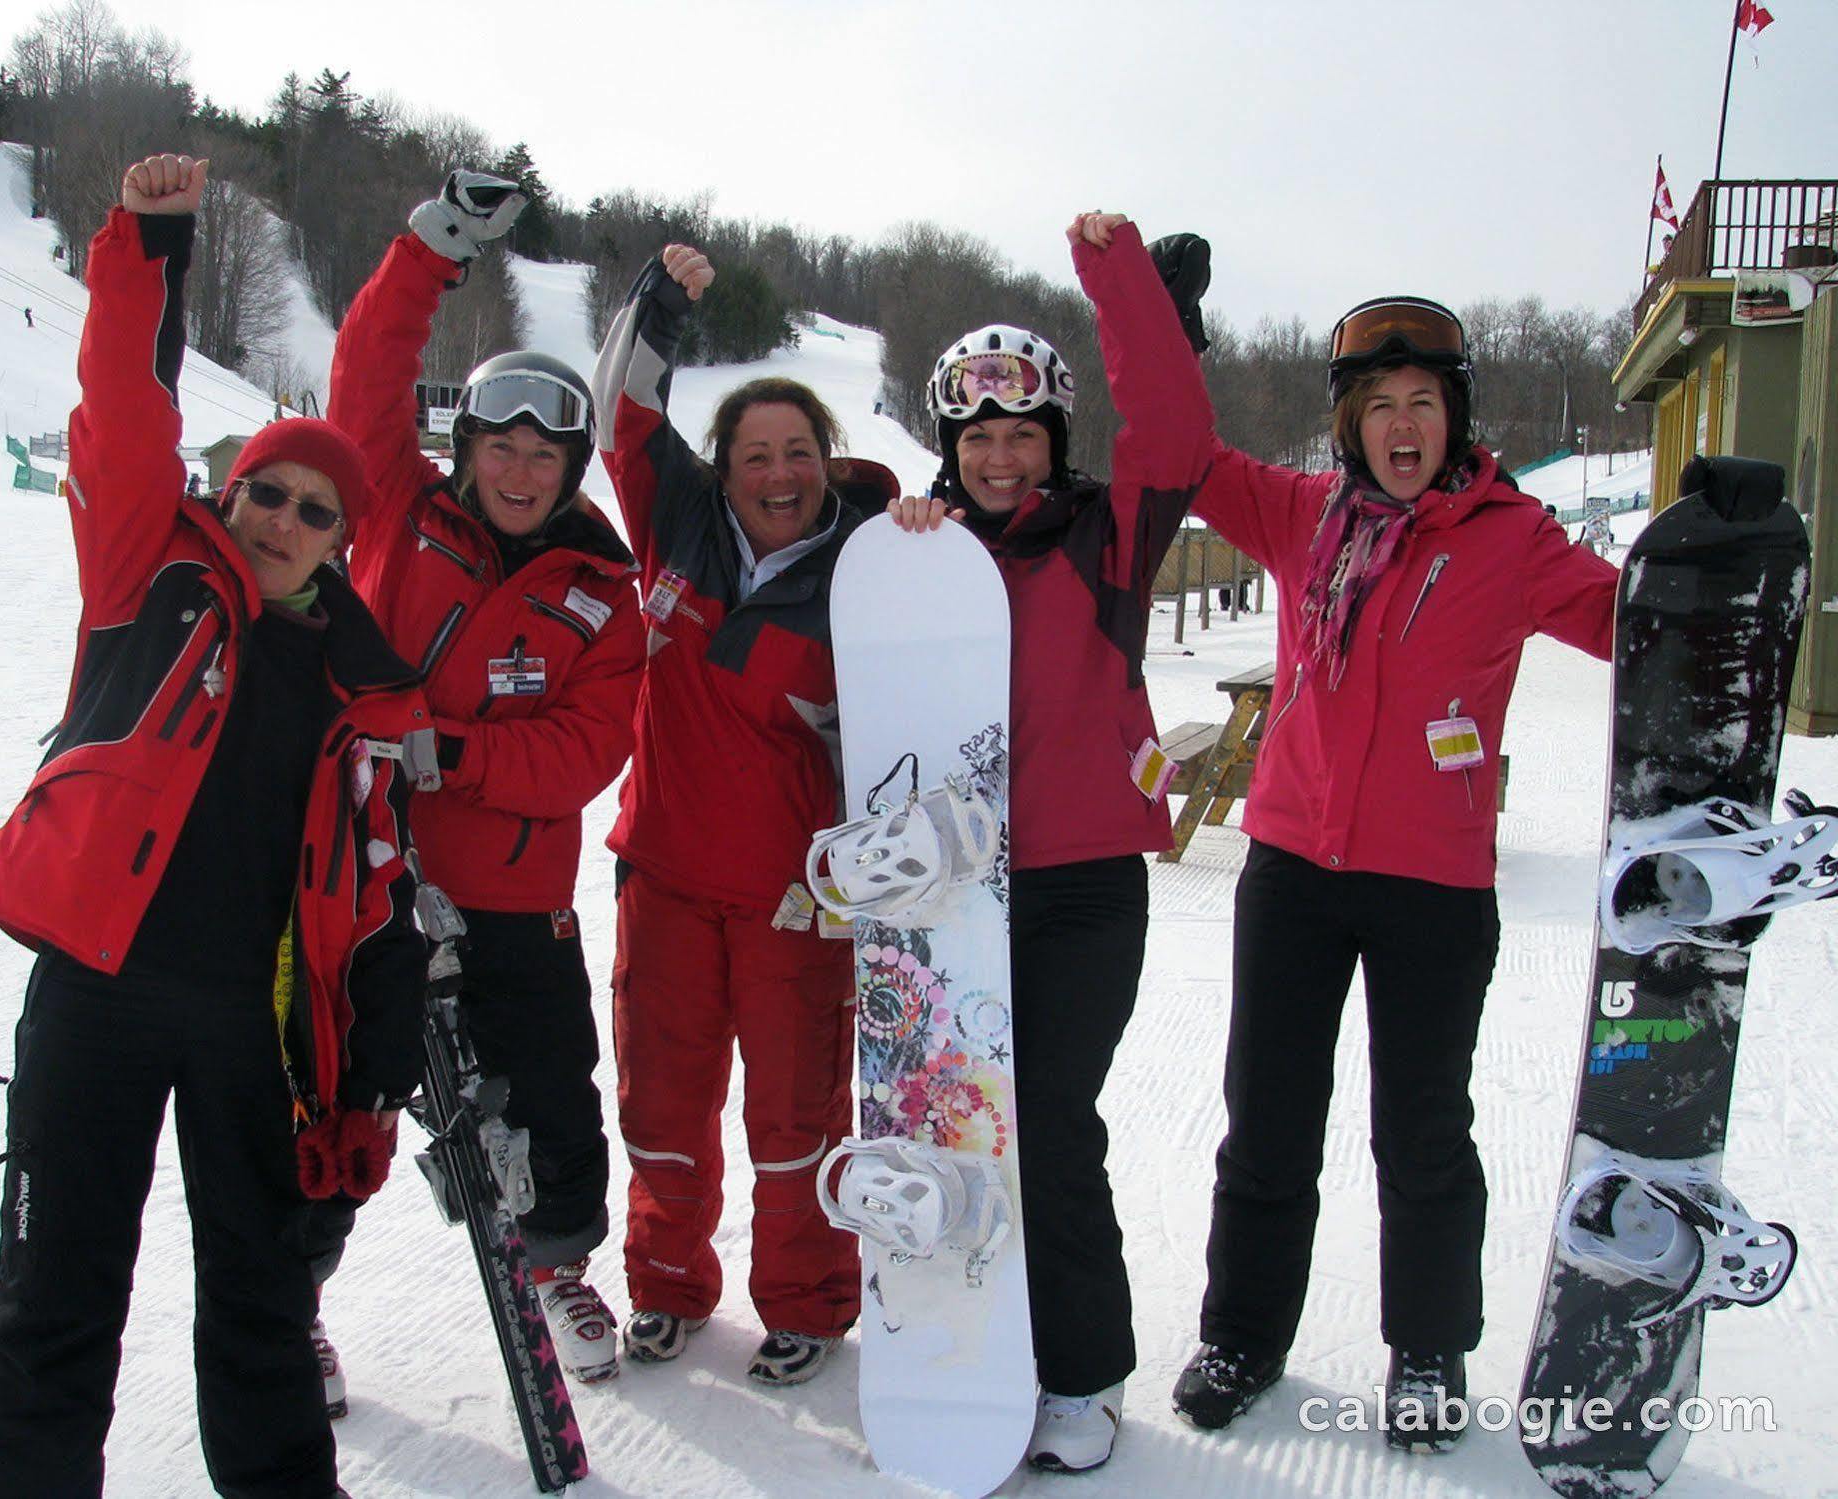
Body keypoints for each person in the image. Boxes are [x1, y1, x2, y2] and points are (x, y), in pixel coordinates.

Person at [0, 154, 431, 1498]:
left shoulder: (361, 684)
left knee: (264, 1311)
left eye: (314, 509)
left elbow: (373, 878)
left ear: (345, 539)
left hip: (252, 1026)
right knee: (54, 1307)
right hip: (98, 996)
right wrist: (144, 246)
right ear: (231, 493)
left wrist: (369, 1037)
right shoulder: (148, 570)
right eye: (266, 491)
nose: (281, 519)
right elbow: (119, 403)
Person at [1103, 231, 1620, 1449]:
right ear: (1347, 424)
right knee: (1267, 1116)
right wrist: (1151, 324)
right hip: (1291, 870)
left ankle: (1429, 1349)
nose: (1401, 425)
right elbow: (1177, 451)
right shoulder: (1298, 517)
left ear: (1455, 417)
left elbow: (1630, 620)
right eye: (1379, 404)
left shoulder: (1513, 538)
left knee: (1423, 1129)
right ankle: (1243, 1333)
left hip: (1433, 886)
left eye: (1422, 403)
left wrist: (1708, 560)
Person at [882, 214, 1213, 1472]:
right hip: (948, 893)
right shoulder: (920, 554)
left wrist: (1119, 280)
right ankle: (970, 1344)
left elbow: (1178, 434)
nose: (1003, 455)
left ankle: (1081, 1367)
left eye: (1023, 433)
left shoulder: (1105, 541)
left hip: (1077, 886)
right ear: (950, 448)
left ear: (1053, 440)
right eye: (979, 436)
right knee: (953, 1120)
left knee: (1053, 1121)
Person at [318, 170, 646, 1388]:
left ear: (573, 470)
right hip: (362, 867)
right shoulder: (397, 511)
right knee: (335, 1088)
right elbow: (367, 369)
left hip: (510, 891)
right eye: (500, 449)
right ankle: (296, 1289)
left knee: (554, 1082)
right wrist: (434, 244)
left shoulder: (601, 593)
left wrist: (449, 754)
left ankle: (556, 1261)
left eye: (544, 456)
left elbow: (583, 748)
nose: (519, 473)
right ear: (465, 450)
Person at [589, 242, 899, 1386]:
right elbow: (617, 399)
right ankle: (666, 1285)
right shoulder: (672, 521)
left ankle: (807, 1301)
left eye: (797, 452)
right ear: (721, 470)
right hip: (663, 878)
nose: (777, 472)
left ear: (830, 462)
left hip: (793, 902)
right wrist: (661, 298)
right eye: (755, 454)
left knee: (795, 1117)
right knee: (662, 1103)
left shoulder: (872, 574)